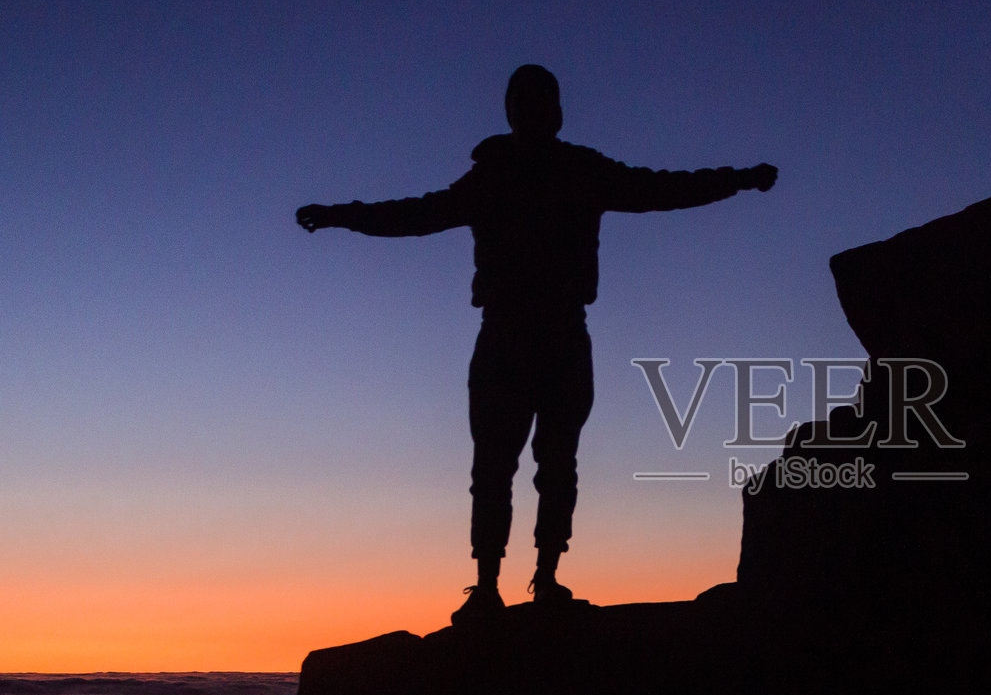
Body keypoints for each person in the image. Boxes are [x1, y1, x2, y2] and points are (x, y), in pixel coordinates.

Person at [297, 64, 777, 623]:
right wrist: (341, 216)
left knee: (547, 463)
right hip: (515, 336)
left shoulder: (573, 171)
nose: (535, 112)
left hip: (553, 335)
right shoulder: (501, 177)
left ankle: (536, 579)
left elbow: (664, 188)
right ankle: (492, 585)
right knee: (503, 466)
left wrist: (737, 178)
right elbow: (415, 215)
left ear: (551, 111)